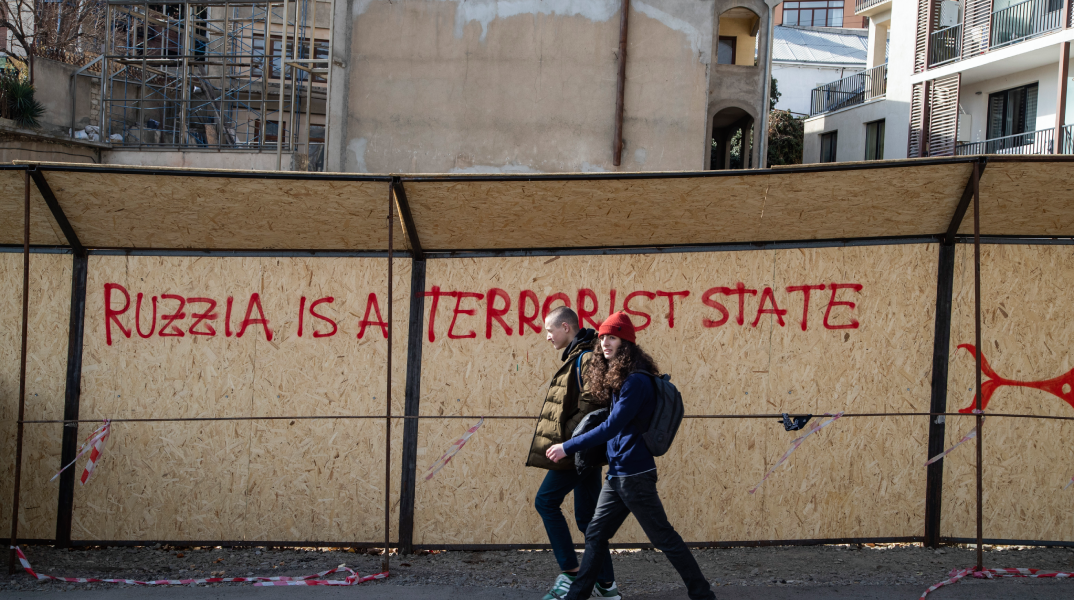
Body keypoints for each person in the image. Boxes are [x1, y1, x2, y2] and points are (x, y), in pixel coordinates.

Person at [546, 312, 716, 600]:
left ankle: (702, 594)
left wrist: (568, 446)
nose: (605, 343)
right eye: (601, 337)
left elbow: (613, 426)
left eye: (612, 337)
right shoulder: (621, 378)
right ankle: (578, 595)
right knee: (597, 536)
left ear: (627, 342)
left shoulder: (636, 382)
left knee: (664, 538)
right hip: (618, 475)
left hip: (634, 475)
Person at [526, 306, 620, 600]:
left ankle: (570, 570)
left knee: (546, 501)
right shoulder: (578, 355)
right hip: (582, 450)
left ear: (566, 327)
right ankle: (606, 586)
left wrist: (568, 440)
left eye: (550, 330)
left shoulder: (585, 357)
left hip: (576, 450)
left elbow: (593, 405)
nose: (547, 337)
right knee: (588, 519)